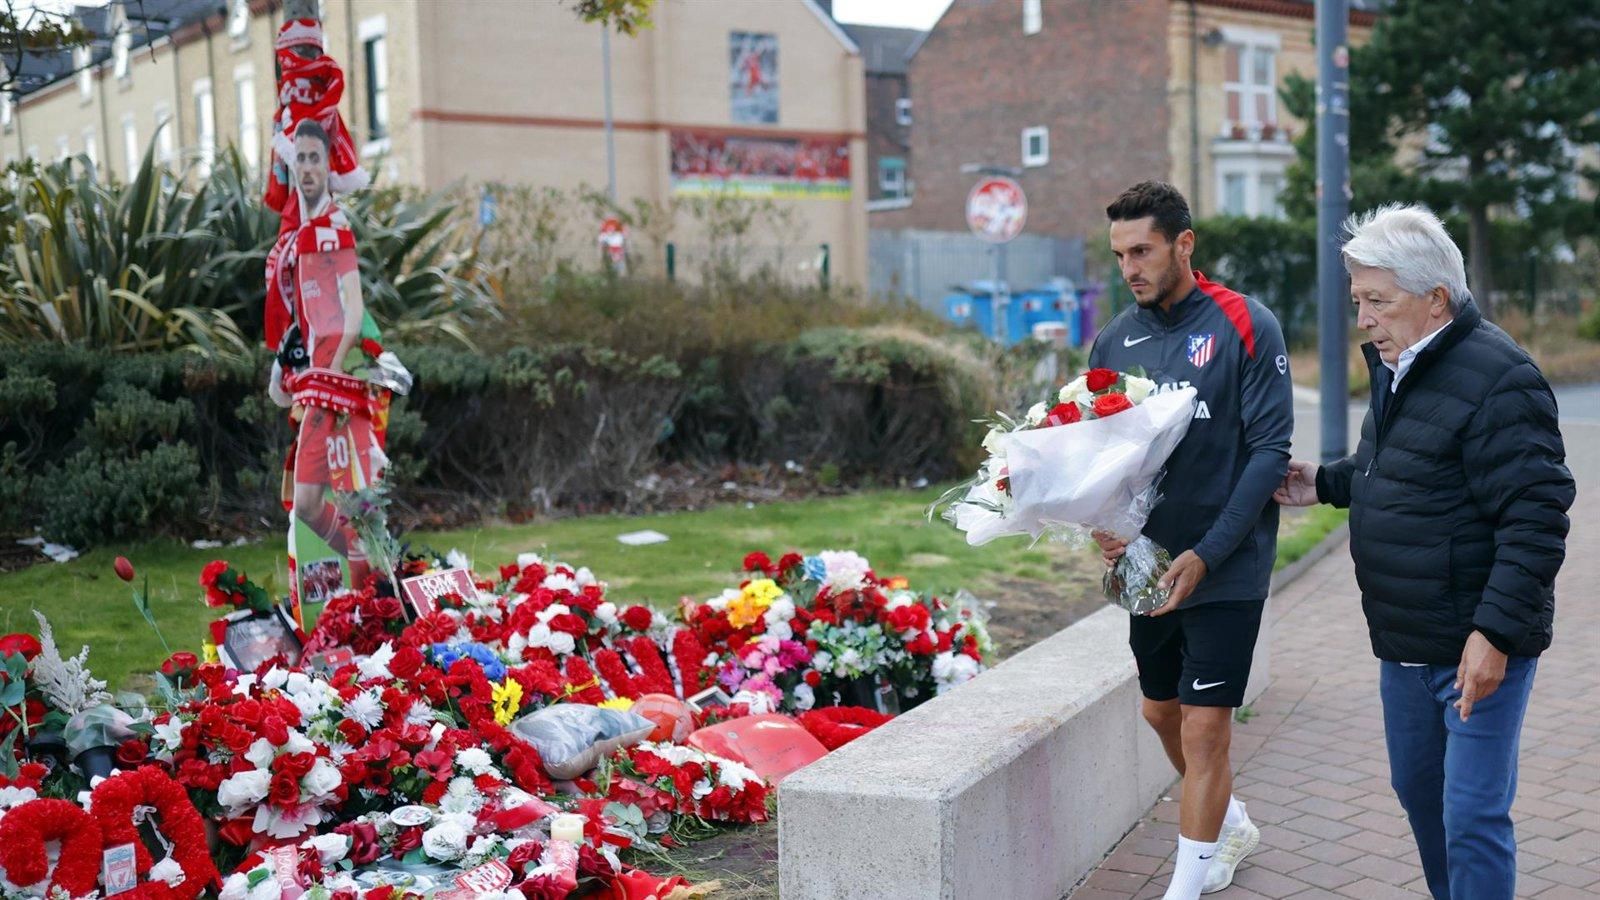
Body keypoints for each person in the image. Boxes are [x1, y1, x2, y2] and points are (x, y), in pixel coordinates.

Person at [1274, 204, 1573, 900]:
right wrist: (1325, 483)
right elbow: (1401, 467)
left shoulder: (1501, 378)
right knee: (1420, 795)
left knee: (1471, 816)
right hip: (1405, 644)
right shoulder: (1400, 364)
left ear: (1436, 299)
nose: (1363, 319)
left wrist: (1494, 635)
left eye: (1378, 301)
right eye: (1358, 301)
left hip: (1475, 646)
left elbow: (1535, 518)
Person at [1092, 181, 1294, 898]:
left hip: (1226, 562)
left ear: (1184, 244)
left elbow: (1269, 452)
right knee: (1160, 712)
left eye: (1142, 251)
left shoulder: (1247, 323)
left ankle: (1185, 886)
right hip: (1148, 565)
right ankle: (1229, 823)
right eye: (1120, 255)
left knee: (1207, 731)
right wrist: (1105, 523)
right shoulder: (1114, 339)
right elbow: (1100, 455)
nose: (1130, 268)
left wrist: (1208, 553)